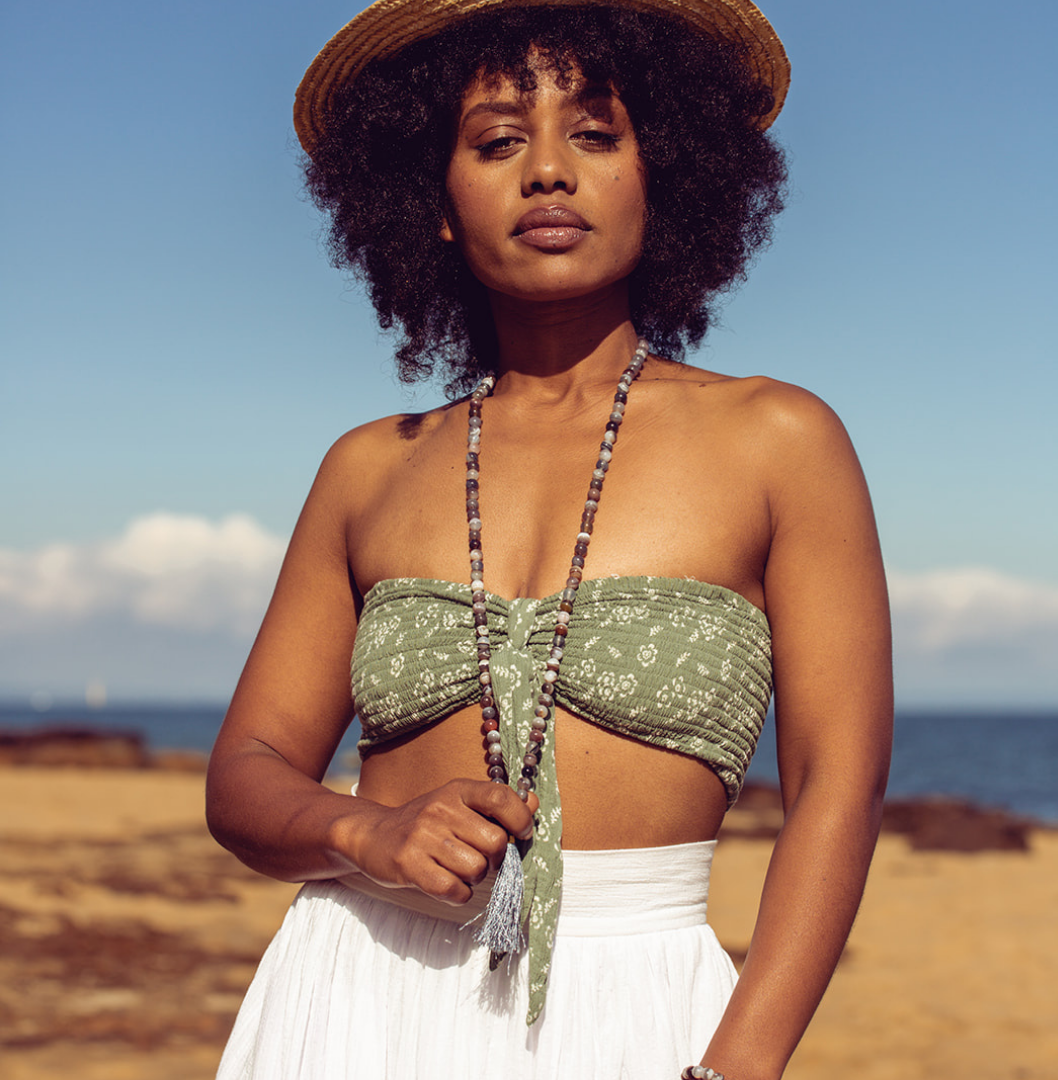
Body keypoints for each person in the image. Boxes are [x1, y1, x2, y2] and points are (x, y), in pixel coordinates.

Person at [206, 1, 893, 1077]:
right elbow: (245, 775)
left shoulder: (779, 441)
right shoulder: (369, 466)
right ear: (430, 199)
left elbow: (836, 787)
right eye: (495, 140)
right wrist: (361, 835)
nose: (548, 173)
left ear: (662, 173)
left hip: (645, 1007)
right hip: (351, 992)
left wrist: (741, 1064)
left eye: (596, 133)